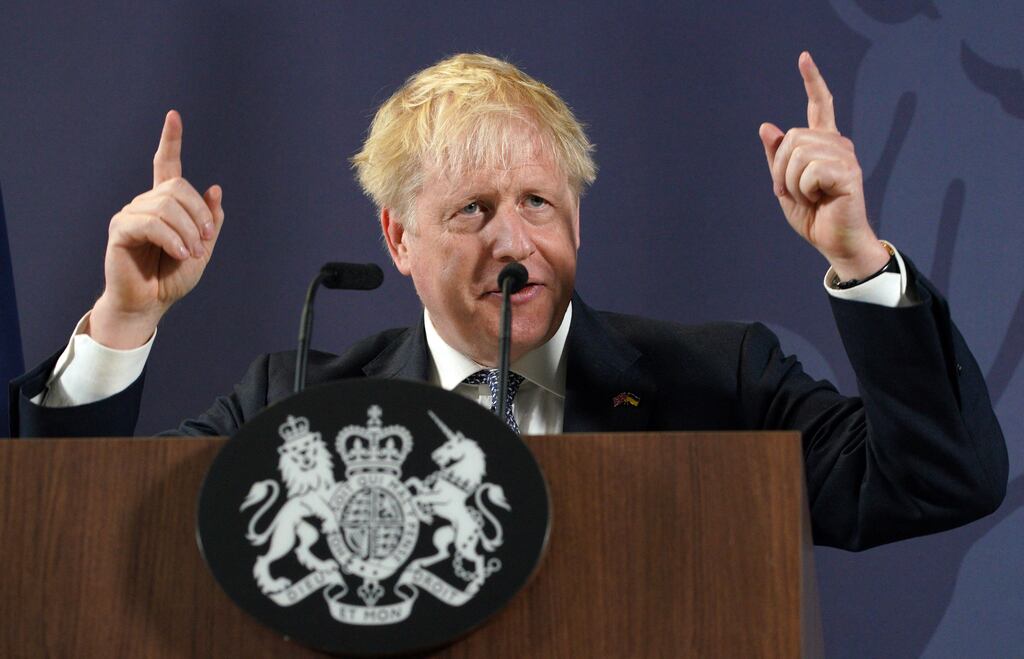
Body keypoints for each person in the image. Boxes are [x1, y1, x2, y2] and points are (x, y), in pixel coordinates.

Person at [9, 53, 1007, 550]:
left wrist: (858, 257)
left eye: (538, 201)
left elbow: (939, 479)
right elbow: (75, 539)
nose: (512, 240)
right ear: (398, 238)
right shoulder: (296, 406)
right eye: (472, 210)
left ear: (576, 216)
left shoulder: (720, 381)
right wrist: (125, 319)